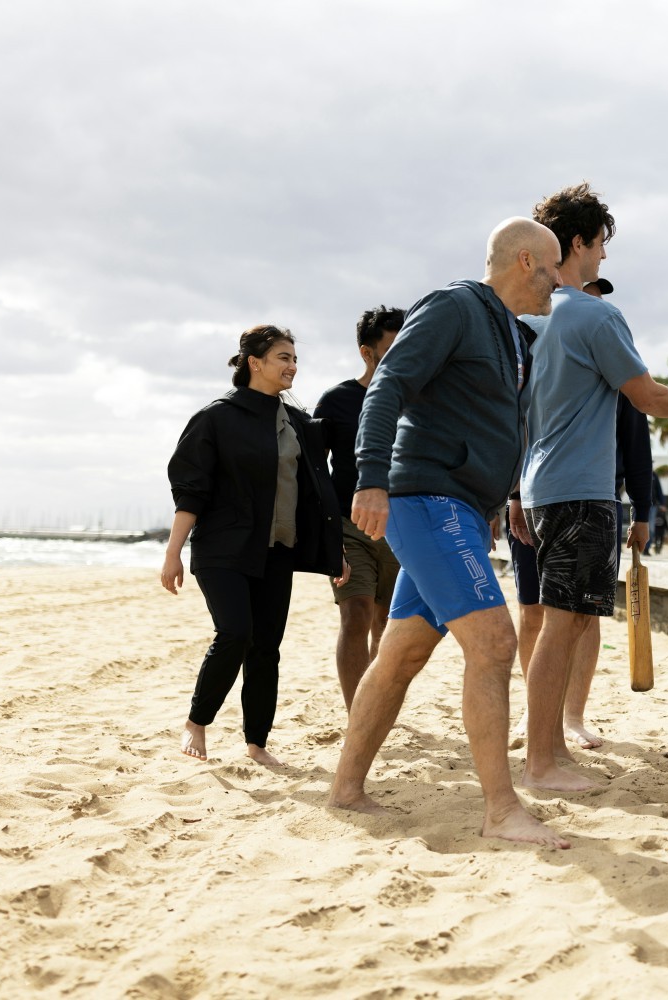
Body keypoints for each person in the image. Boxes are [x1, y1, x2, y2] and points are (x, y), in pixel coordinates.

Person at [326, 217, 571, 849]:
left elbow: (498, 424)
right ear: (523, 261)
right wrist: (370, 479)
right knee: (493, 644)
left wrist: (504, 495)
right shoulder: (454, 306)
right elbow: (388, 388)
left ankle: (346, 789)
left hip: (461, 507)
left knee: (401, 653)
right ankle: (500, 810)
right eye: (550, 270)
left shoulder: (517, 338)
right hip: (425, 496)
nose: (557, 282)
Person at [509, 183, 668, 793]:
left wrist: (514, 493)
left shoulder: (532, 324)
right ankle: (542, 762)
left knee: (554, 621)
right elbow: (645, 398)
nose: (603, 259)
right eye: (598, 245)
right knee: (562, 624)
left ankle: (553, 749)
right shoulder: (594, 314)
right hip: (580, 490)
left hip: (541, 489)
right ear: (575, 244)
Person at [161, 325, 345, 766]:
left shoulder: (297, 422)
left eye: (295, 359)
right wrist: (173, 552)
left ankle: (256, 743)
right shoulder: (217, 417)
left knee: (266, 647)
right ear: (254, 362)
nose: (292, 366)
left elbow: (317, 489)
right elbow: (192, 490)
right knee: (235, 633)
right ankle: (197, 723)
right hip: (223, 549)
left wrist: (333, 549)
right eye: (283, 357)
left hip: (276, 552)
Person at [505, 275, 655, 753]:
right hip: (531, 496)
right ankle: (537, 715)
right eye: (589, 291)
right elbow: (515, 425)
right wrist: (510, 497)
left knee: (583, 616)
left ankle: (571, 716)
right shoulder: (530, 343)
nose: (593, 302)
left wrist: (643, 511)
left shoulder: (611, 357)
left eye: (600, 296)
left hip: (596, 497)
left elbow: (637, 441)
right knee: (533, 612)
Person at [313, 306, 404, 711]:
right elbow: (313, 473)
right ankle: (358, 716)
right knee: (355, 616)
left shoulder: (420, 399)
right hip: (350, 528)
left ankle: (377, 705)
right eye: (390, 348)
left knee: (386, 624)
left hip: (404, 529)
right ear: (367, 353)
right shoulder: (336, 401)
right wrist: (326, 535)